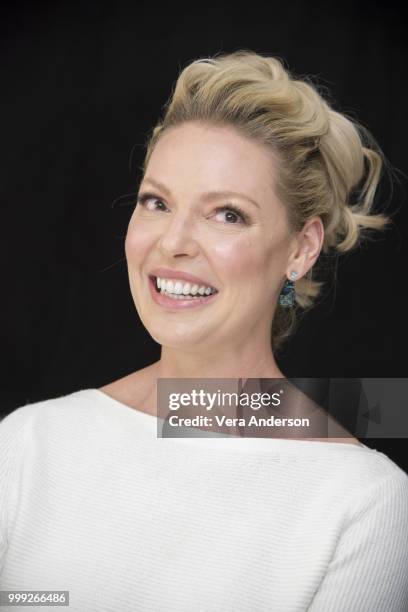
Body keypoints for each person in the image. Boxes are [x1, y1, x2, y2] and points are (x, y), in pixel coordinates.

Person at [1, 50, 407, 611]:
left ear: (301, 248)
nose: (173, 243)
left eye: (228, 214)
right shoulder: (28, 445)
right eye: (157, 202)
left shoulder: (362, 504)